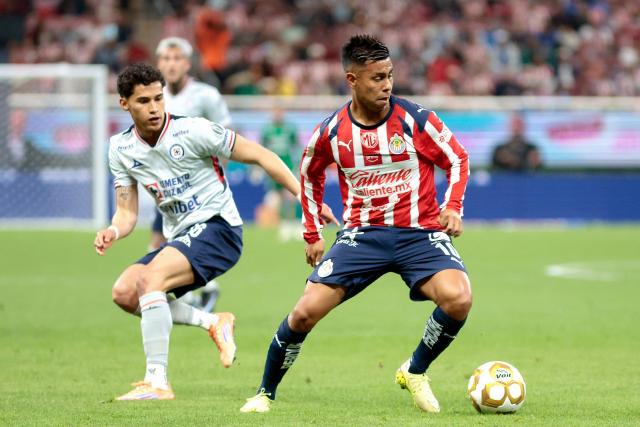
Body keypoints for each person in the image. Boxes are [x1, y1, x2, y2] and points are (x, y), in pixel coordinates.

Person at [240, 35, 472, 414]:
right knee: (303, 313)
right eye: (377, 78)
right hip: (362, 237)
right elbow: (310, 176)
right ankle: (264, 393)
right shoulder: (331, 132)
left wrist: (453, 206)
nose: (386, 85)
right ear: (352, 79)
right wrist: (312, 233)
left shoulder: (416, 119)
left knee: (459, 298)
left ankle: (415, 370)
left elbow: (458, 159)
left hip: (421, 233)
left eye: (390, 76)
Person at [94, 63, 337, 401]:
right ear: (124, 104)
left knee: (150, 282)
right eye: (143, 101)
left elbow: (261, 155)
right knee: (124, 292)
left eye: (158, 99)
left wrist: (306, 198)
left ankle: (157, 381)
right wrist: (113, 230)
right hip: (180, 237)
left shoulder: (193, 130)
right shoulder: (120, 149)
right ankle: (212, 322)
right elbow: (127, 211)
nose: (153, 108)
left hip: (218, 228)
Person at [152, 36, 233, 311]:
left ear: (187, 64)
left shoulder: (206, 96)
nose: (171, 65)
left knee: (173, 243)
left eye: (176, 59)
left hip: (199, 187)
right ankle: (203, 291)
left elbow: (226, 136)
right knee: (160, 243)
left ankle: (196, 294)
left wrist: (217, 176)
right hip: (166, 184)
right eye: (166, 59)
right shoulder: (154, 98)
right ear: (158, 64)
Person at [259, 106, 300, 239]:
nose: (278, 115)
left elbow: (296, 146)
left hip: (288, 166)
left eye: (280, 112)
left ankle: (293, 224)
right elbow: (262, 148)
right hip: (273, 167)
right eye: (275, 112)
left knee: (292, 196)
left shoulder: (290, 129)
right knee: (279, 197)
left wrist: (297, 164)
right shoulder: (267, 130)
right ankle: (284, 224)